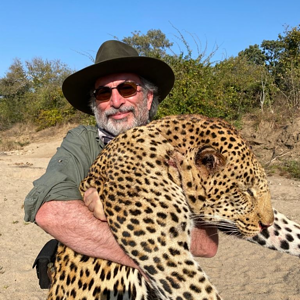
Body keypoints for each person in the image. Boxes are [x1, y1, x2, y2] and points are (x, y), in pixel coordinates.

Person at [24, 40, 219, 272]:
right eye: (103, 93)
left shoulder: (177, 147)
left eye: (127, 89)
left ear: (147, 98)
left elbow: (206, 243)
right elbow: (52, 212)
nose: (115, 102)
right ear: (96, 104)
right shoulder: (83, 141)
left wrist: (111, 209)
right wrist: (155, 256)